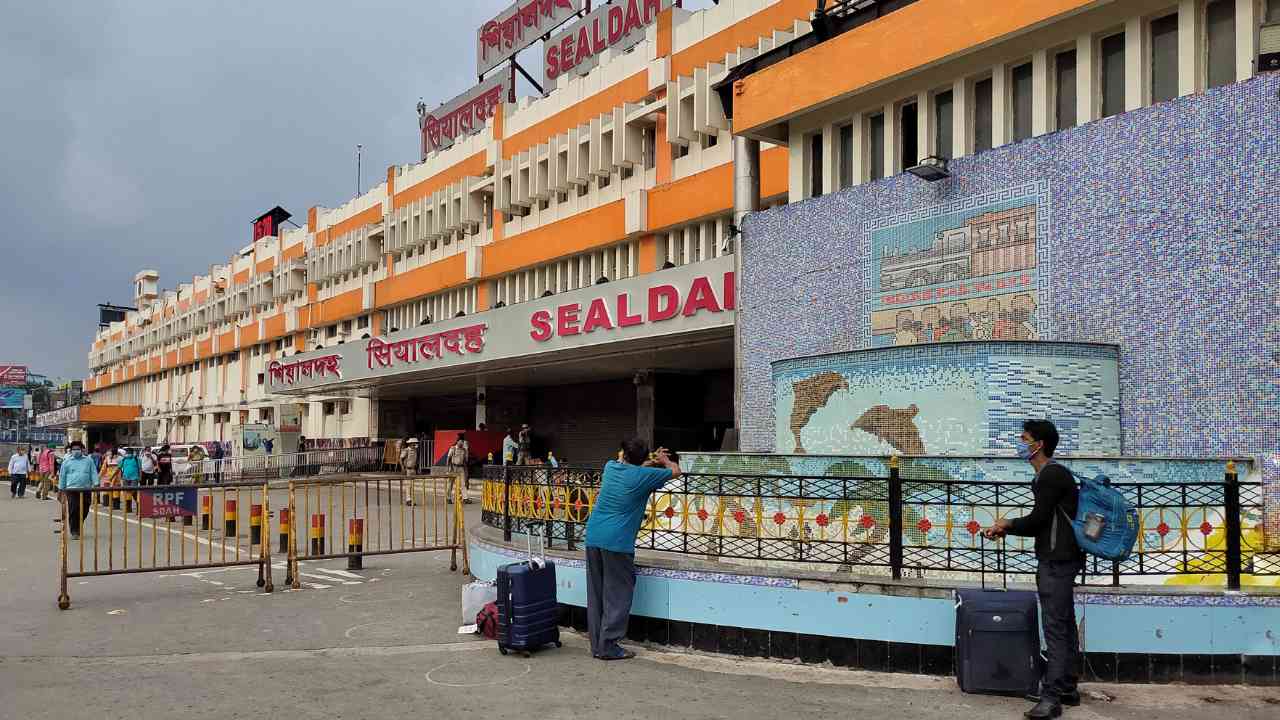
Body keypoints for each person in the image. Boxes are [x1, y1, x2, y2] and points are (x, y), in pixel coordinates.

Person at [984, 420, 1082, 719]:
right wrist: (1010, 529)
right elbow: (1046, 520)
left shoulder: (1049, 476)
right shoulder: (1053, 474)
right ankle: (1067, 686)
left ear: (1039, 444)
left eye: (1025, 439)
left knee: (1054, 627)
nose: (1021, 443)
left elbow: (1039, 519)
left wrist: (1007, 524)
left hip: (1056, 560)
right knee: (1063, 623)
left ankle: (1051, 698)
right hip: (1063, 557)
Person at [583, 438, 682, 661]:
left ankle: (598, 644)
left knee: (597, 592)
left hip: (594, 536)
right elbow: (676, 472)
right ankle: (609, 646)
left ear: (624, 455)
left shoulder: (611, 467)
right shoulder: (643, 476)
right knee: (618, 593)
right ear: (641, 458)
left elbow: (634, 469)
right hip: (617, 542)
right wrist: (664, 460)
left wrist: (649, 460)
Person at [58, 441, 100, 540]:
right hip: (72, 489)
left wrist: (96, 484)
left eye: (78, 449)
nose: (76, 451)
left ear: (82, 450)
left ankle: (78, 524)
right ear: (71, 450)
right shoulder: (67, 461)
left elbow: (93, 472)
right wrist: (60, 490)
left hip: (86, 489)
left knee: (85, 509)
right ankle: (74, 530)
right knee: (73, 509)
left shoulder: (88, 460)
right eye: (74, 449)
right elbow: (62, 476)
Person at [447, 433, 471, 503]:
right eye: (461, 441)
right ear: (457, 441)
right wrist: (448, 468)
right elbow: (448, 458)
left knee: (463, 483)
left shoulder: (464, 450)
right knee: (450, 483)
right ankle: (448, 498)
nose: (462, 443)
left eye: (463, 441)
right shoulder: (453, 448)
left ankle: (465, 498)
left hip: (461, 468)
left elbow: (465, 460)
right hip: (453, 467)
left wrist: (466, 451)